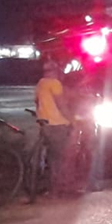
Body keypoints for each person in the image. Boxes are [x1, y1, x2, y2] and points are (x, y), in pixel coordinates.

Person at [35, 60, 77, 196]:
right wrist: (72, 121)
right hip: (57, 124)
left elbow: (36, 101)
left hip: (44, 124)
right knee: (65, 157)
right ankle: (65, 188)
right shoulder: (55, 83)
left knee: (52, 157)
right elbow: (61, 105)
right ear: (55, 72)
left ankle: (53, 189)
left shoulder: (40, 83)